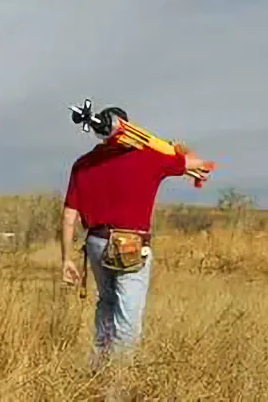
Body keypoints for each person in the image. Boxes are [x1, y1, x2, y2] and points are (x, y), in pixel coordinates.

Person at [59, 109, 208, 369]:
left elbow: (69, 216)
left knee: (106, 303)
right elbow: (196, 165)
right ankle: (117, 387)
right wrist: (179, 153)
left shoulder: (83, 163)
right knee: (128, 319)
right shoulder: (150, 157)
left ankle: (98, 370)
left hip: (95, 243)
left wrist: (66, 259)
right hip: (131, 246)